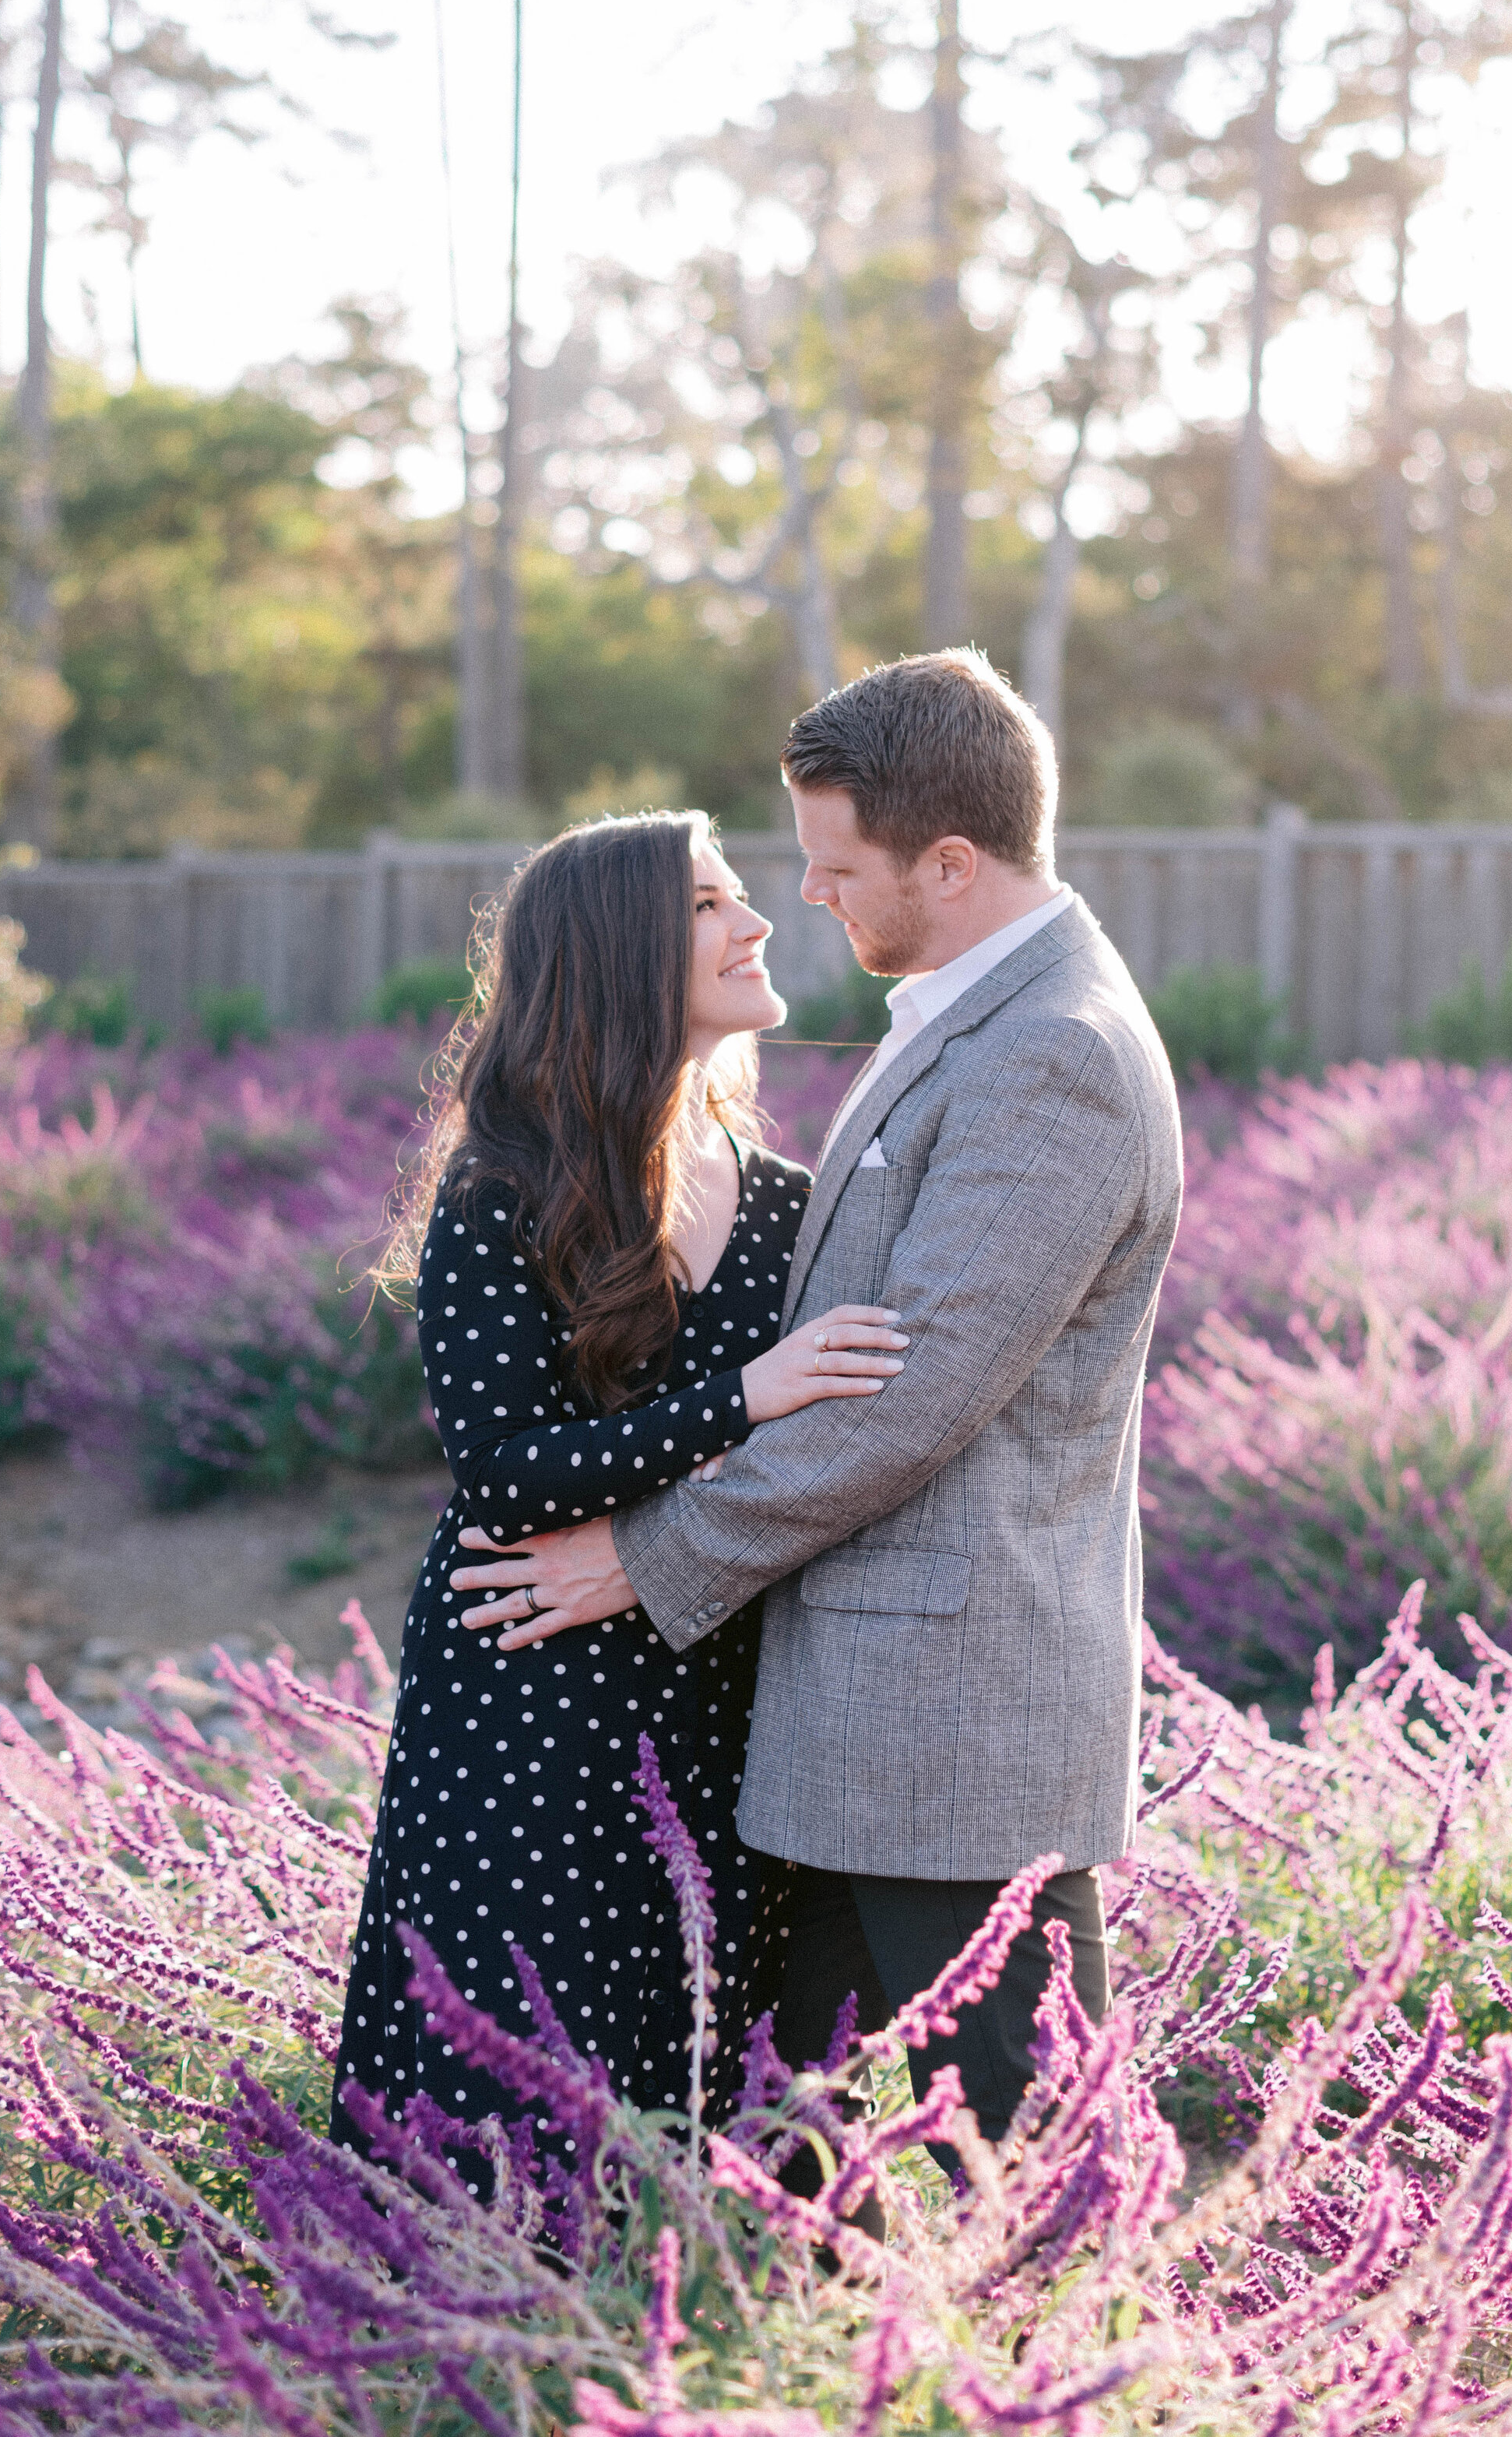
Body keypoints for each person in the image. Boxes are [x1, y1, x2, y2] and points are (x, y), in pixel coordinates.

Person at [452, 650, 1183, 2167]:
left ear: (952, 861)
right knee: (803, 2181)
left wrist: (639, 1557)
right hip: (860, 1733)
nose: (804, 894)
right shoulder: (971, 1015)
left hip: (953, 1732)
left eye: (835, 865)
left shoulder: (1052, 1053)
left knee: (1042, 2179)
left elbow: (899, 1403)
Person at [329, 812, 908, 2178]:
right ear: (620, 954)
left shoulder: (783, 1200)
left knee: (704, 2032)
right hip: (532, 1681)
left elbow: (826, 1452)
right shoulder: (508, 1187)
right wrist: (745, 1397)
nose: (758, 923)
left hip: (719, 1670)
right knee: (527, 2046)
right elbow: (505, 1468)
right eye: (712, 904)